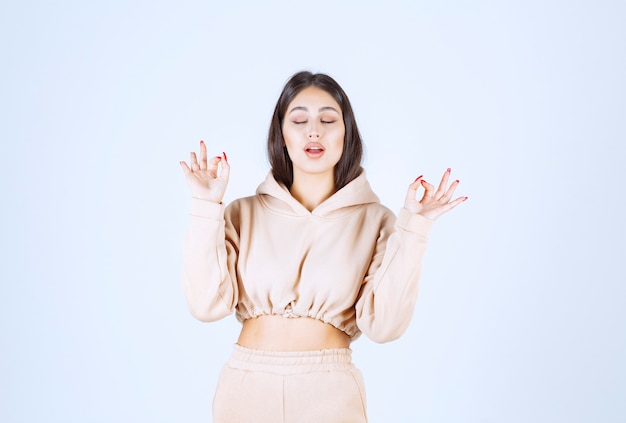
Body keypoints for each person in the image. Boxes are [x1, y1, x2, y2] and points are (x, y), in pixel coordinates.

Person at [179, 71, 467, 422]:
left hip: (329, 393)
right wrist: (206, 206)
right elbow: (205, 305)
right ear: (281, 135)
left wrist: (416, 226)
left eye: (328, 119)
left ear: (347, 134)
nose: (313, 130)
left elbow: (385, 326)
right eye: (299, 119)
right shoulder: (242, 212)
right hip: (246, 387)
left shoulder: (376, 220)